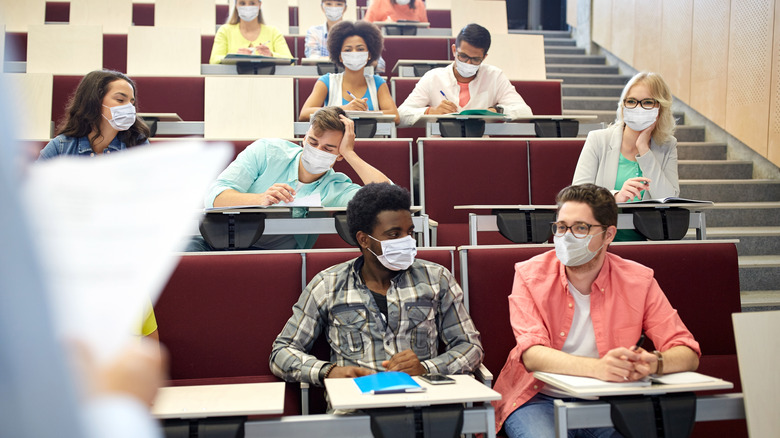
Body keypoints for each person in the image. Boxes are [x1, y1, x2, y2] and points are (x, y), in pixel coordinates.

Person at [492, 184, 701, 438]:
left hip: (610, 400)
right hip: (539, 399)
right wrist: (598, 368)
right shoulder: (529, 274)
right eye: (561, 227)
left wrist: (653, 363)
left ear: (609, 234)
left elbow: (687, 351)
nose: (566, 236)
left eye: (581, 228)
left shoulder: (639, 280)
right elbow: (533, 354)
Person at [270, 183, 483, 386]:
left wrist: (427, 367)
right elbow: (282, 352)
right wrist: (327, 371)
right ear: (364, 239)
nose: (407, 240)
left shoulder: (437, 278)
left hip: (423, 400)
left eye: (410, 232)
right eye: (394, 234)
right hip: (356, 407)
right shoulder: (327, 284)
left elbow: (470, 347)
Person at [191, 106, 391, 251]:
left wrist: (350, 153)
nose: (317, 150)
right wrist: (259, 199)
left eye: (328, 148)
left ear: (339, 155)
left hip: (274, 259)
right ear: (304, 138)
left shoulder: (337, 187)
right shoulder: (267, 151)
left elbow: (388, 200)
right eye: (312, 142)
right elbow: (214, 196)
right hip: (214, 242)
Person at [572, 72, 679, 203]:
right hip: (605, 222)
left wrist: (644, 150)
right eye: (631, 101)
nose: (638, 108)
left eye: (647, 102)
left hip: (648, 223)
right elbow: (578, 196)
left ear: (660, 108)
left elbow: (669, 199)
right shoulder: (598, 140)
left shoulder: (668, 145)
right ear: (623, 106)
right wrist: (616, 197)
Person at [398, 23, 533, 127]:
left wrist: (498, 111)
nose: (468, 63)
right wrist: (430, 112)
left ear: (484, 57)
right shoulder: (433, 77)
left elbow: (525, 112)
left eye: (475, 59)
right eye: (463, 56)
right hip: (439, 148)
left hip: (482, 148)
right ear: (454, 50)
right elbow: (401, 115)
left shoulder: (494, 76)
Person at [300, 21, 399, 123]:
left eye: (360, 49)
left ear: (369, 55)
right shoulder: (326, 81)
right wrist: (344, 109)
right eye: (348, 50)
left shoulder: (378, 82)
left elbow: (395, 117)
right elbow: (305, 113)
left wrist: (363, 113)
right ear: (340, 56)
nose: (354, 53)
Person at [38, 70, 150, 160]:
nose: (129, 108)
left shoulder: (138, 145)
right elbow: (34, 185)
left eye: (132, 102)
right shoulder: (60, 147)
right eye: (120, 100)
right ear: (94, 101)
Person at [209, 0, 293, 64]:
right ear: (236, 6)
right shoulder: (224, 31)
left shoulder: (273, 32)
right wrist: (235, 58)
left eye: (252, 3)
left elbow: (290, 60)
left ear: (259, 5)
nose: (247, 7)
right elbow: (214, 61)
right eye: (242, 3)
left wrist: (271, 55)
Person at [364, 0, 428, 23]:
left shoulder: (419, 4)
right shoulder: (379, 2)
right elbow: (366, 28)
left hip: (413, 46)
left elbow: (425, 31)